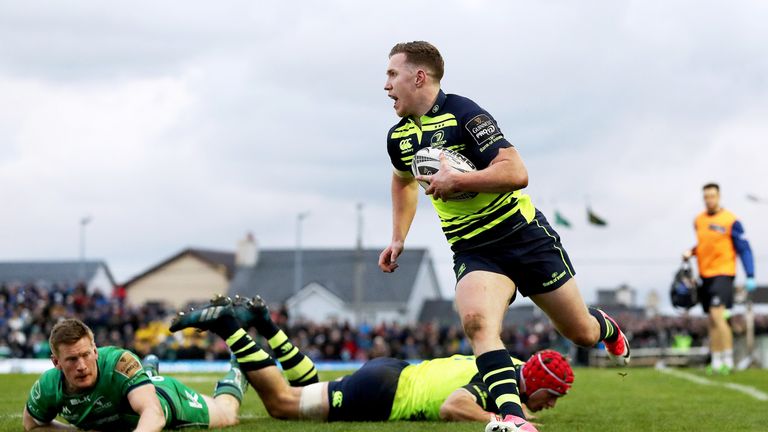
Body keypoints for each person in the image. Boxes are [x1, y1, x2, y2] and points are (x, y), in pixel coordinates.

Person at [378, 41, 630, 432]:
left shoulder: (465, 114)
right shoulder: (399, 138)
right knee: (478, 322)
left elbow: (516, 172)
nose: (386, 85)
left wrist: (457, 179)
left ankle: (607, 327)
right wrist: (398, 237)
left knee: (580, 333)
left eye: (392, 74)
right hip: (473, 247)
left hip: (523, 236)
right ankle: (514, 419)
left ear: (419, 77)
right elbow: (403, 182)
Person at [169, 295, 574, 424]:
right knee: (282, 404)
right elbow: (455, 405)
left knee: (306, 389)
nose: (552, 404)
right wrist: (499, 424)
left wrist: (517, 415)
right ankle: (230, 328)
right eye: (552, 395)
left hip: (392, 373)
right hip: (385, 394)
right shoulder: (494, 387)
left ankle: (265, 325)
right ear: (535, 383)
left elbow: (513, 404)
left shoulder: (500, 364)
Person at [22, 318, 248, 431]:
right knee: (137, 388)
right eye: (71, 359)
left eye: (85, 355)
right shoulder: (48, 386)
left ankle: (238, 369)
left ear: (95, 351)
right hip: (134, 397)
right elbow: (31, 424)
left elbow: (154, 414)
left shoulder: (120, 361)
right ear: (56, 362)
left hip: (167, 401)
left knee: (228, 415)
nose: (81, 365)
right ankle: (146, 373)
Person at [683, 183, 756, 375]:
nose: (709, 200)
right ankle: (715, 361)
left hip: (723, 273)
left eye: (713, 196)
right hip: (705, 275)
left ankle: (728, 359)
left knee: (718, 315)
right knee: (712, 320)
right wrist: (691, 252)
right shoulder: (698, 220)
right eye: (706, 197)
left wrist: (750, 274)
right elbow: (703, 246)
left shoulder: (731, 220)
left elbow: (744, 248)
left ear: (719, 196)